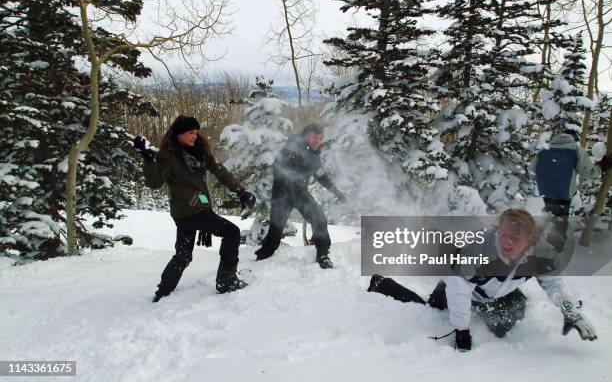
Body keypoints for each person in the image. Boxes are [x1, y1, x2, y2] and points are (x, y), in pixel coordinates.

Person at [367, 209, 598, 351]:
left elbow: (553, 282)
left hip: (499, 293)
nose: (506, 242)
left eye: (514, 238)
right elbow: (458, 291)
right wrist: (462, 331)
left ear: (529, 240)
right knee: (431, 310)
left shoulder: (542, 253)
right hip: (458, 286)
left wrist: (571, 312)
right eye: (503, 235)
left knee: (505, 327)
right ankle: (382, 284)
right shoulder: (478, 252)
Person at [134, 115, 256, 302]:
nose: (195, 136)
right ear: (179, 134)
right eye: (190, 132)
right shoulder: (168, 155)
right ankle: (227, 280)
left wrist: (240, 191)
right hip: (190, 211)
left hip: (193, 210)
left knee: (183, 256)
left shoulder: (199, 151)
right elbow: (155, 182)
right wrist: (148, 159)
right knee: (232, 232)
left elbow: (219, 171)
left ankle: (163, 292)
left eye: (196, 132)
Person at [254, 123, 346, 269]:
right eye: (315, 137)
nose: (318, 141)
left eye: (320, 138)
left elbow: (322, 176)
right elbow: (278, 167)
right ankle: (262, 257)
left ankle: (323, 254)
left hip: (300, 193)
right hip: (282, 194)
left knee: (319, 219)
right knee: (275, 231)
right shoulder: (292, 147)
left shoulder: (314, 156)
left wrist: (337, 192)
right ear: (307, 135)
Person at [529, 129, 611, 218]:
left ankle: (545, 225)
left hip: (546, 190)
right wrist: (602, 165)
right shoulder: (576, 149)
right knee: (560, 221)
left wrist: (543, 180)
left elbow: (531, 169)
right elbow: (587, 172)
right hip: (564, 191)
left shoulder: (545, 148)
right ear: (574, 139)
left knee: (550, 213)